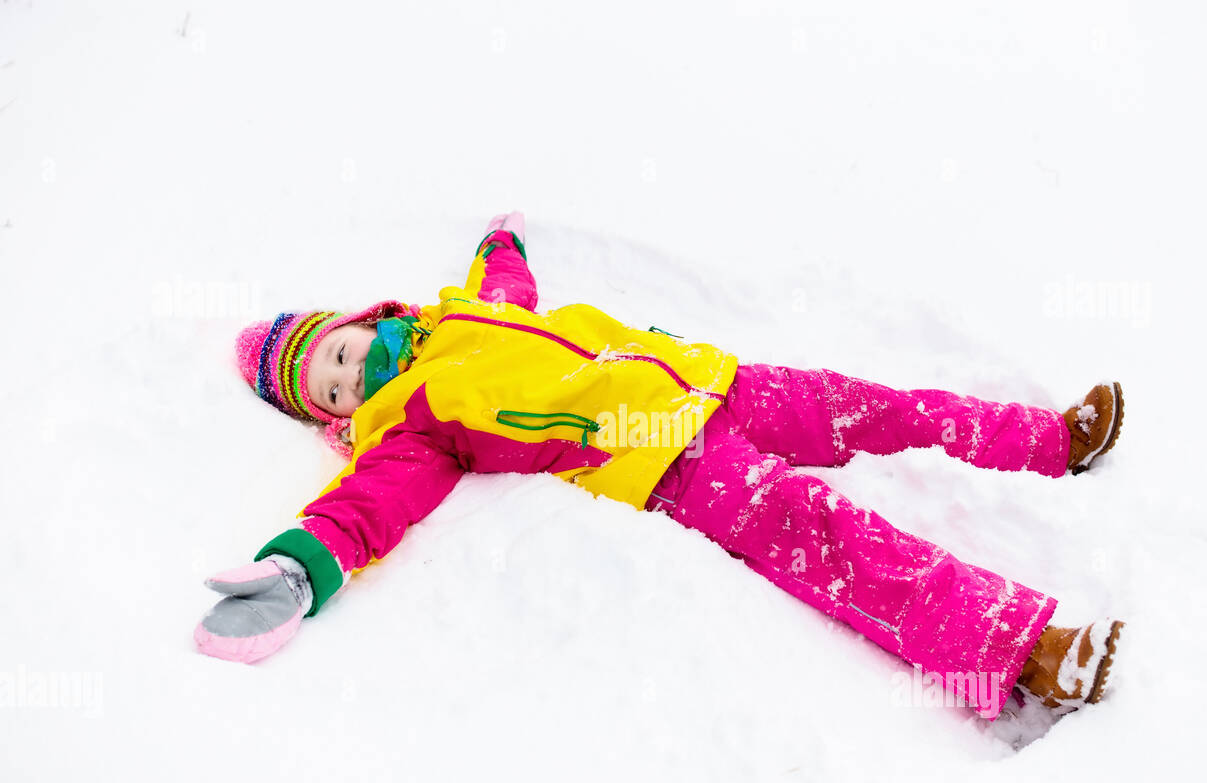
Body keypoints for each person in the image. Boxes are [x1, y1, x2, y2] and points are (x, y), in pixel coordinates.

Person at [195, 211, 1125, 720]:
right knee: (830, 536)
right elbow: (364, 509)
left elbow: (506, 287)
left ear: (353, 321)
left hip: (717, 383)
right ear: (337, 417)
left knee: (879, 408)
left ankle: (1053, 439)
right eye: (332, 389)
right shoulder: (409, 425)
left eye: (339, 350)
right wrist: (297, 568)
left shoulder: (460, 315)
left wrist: (499, 243)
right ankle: (1027, 653)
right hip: (666, 460)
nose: (352, 371)